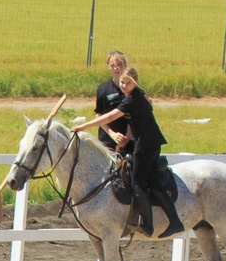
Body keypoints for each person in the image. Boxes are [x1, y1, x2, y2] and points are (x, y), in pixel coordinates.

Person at [72, 64, 180, 236]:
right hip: (152, 143)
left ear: (135, 82)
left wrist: (83, 126)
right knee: (153, 184)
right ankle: (175, 222)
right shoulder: (134, 96)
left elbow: (110, 116)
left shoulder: (132, 100)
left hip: (145, 145)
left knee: (137, 184)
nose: (123, 86)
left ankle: (147, 225)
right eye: (122, 83)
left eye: (127, 83)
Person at [93, 50, 131, 151]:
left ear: (125, 65)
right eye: (112, 65)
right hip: (107, 140)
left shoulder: (132, 89)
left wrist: (126, 139)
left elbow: (136, 117)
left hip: (129, 140)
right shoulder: (103, 88)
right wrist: (112, 134)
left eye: (119, 64)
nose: (116, 68)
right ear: (108, 66)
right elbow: (98, 114)